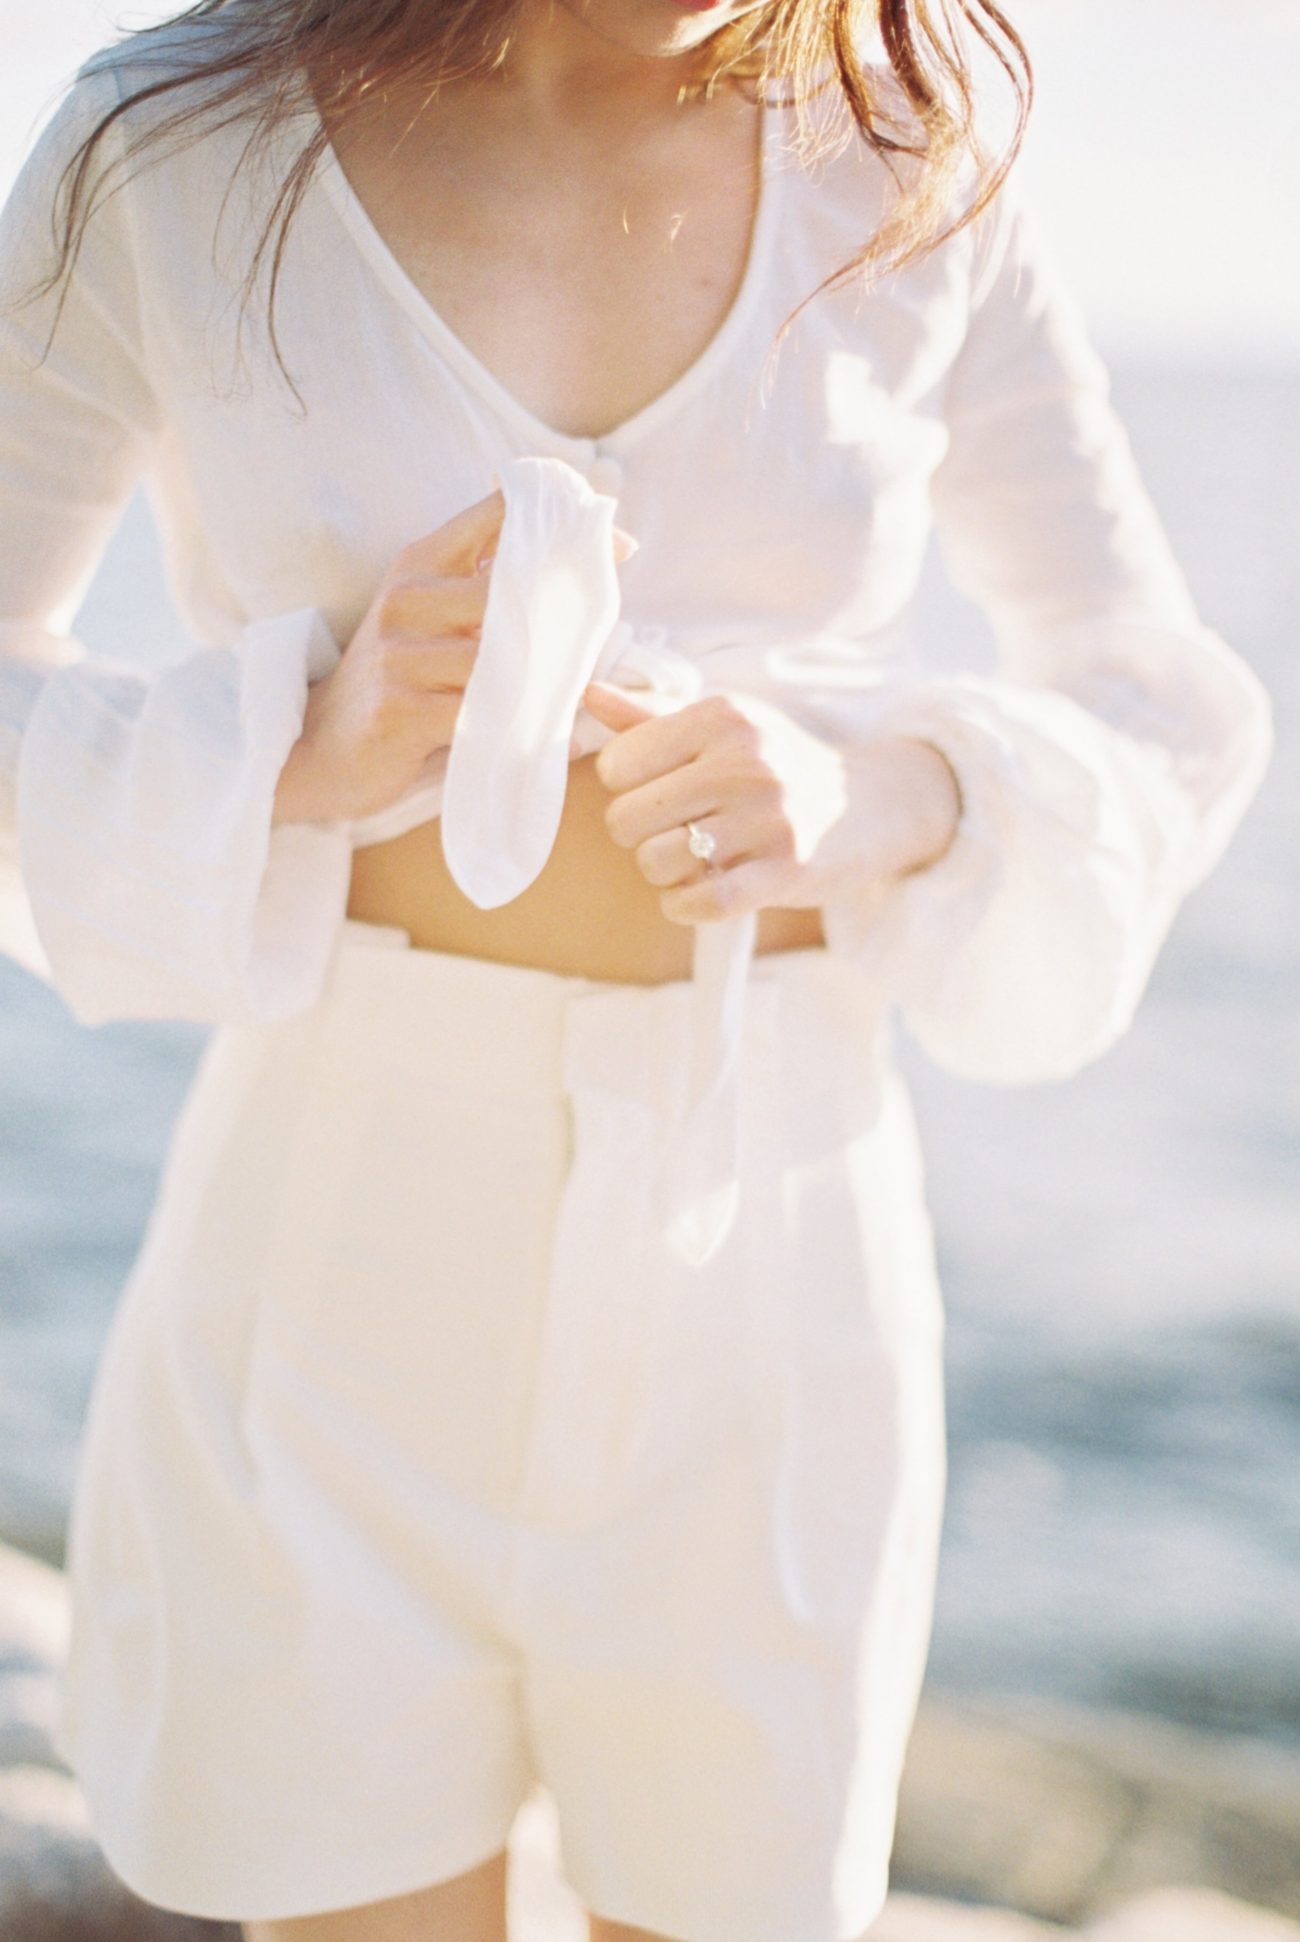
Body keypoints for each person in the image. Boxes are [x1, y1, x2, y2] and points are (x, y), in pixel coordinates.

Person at [0, 1, 1274, 1939]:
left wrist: (879, 788)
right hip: (341, 1243)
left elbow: (1157, 700)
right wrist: (290, 745)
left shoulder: (909, 156)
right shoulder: (173, 140)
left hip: (771, 1250)